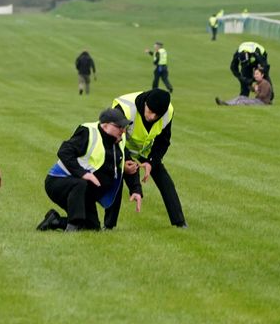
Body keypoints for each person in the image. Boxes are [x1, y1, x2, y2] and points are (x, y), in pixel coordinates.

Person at [37, 108, 141, 232]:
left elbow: (128, 164)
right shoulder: (88, 132)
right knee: (80, 183)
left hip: (84, 191)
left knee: (92, 227)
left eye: (124, 127)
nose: (123, 131)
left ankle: (55, 221)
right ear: (106, 126)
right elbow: (64, 151)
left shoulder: (118, 140)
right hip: (58, 182)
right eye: (119, 127)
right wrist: (84, 174)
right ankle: (73, 226)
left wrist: (135, 189)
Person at [104, 89, 186, 229]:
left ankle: (179, 222)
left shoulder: (168, 111)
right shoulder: (124, 109)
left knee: (164, 178)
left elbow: (163, 141)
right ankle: (109, 225)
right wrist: (128, 165)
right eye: (150, 111)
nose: (152, 117)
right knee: (117, 177)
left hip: (145, 151)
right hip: (119, 147)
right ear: (145, 103)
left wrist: (151, 162)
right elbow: (113, 138)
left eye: (157, 115)